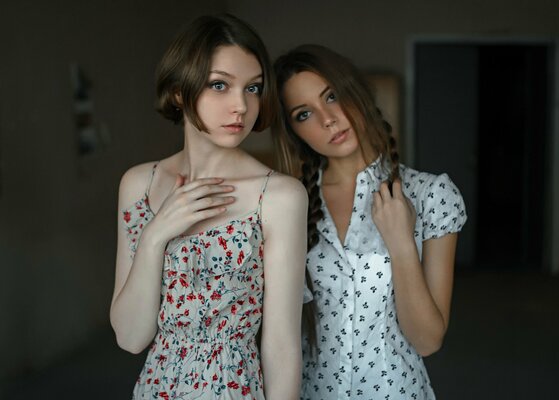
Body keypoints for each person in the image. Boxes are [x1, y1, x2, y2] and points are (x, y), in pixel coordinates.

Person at [110, 14, 306, 400]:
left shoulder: (279, 197)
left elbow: (282, 347)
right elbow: (130, 338)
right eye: (220, 85)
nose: (241, 106)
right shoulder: (138, 185)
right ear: (179, 92)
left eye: (253, 88)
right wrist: (155, 236)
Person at [273, 44, 467, 399]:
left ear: (356, 92)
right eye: (304, 114)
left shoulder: (430, 195)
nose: (327, 119)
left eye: (331, 96)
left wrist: (401, 243)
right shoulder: (288, 205)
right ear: (293, 131)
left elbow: (427, 341)